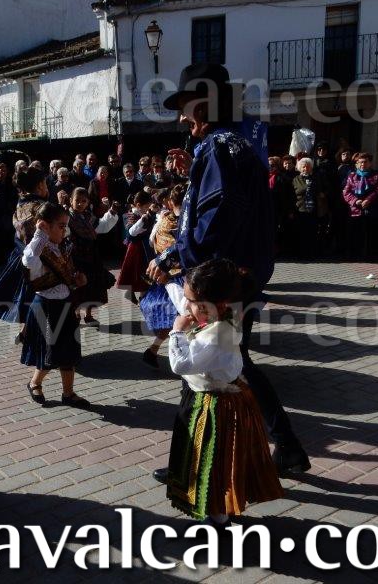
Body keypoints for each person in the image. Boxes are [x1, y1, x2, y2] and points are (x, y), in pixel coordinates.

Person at [147, 62, 309, 477]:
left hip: (219, 284)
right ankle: (285, 445)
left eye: (184, 107)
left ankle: (190, 463)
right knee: (234, 362)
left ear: (202, 106)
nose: (181, 118)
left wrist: (178, 264)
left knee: (207, 368)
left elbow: (215, 221)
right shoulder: (230, 146)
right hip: (235, 279)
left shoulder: (218, 147)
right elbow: (220, 208)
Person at [165, 259, 283, 524]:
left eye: (193, 302)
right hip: (213, 397)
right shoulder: (221, 312)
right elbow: (183, 300)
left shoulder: (219, 335)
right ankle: (220, 513)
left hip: (217, 407)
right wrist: (168, 282)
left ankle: (218, 520)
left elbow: (180, 364)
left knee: (214, 462)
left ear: (216, 304)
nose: (186, 307)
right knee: (213, 460)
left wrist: (177, 332)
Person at [21, 202, 89, 408]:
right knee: (49, 353)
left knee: (68, 351)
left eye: (65, 226)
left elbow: (66, 274)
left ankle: (68, 393)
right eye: (60, 226)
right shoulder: (37, 249)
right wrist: (39, 234)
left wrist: (77, 280)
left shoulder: (60, 246)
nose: (64, 230)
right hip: (46, 307)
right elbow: (29, 260)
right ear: (45, 226)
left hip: (65, 304)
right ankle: (35, 383)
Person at [0, 168, 48, 327]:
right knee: (38, 300)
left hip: (20, 255)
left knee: (26, 298)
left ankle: (25, 332)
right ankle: (31, 334)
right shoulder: (42, 207)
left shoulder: (22, 202)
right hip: (39, 260)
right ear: (40, 185)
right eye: (45, 183)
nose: (47, 187)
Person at [139, 185, 186, 369]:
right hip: (176, 278)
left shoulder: (166, 219)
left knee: (177, 317)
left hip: (171, 275)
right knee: (180, 317)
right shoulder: (179, 220)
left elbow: (153, 241)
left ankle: (153, 351)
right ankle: (171, 354)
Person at [67, 187, 119, 324]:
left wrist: (112, 212)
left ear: (88, 202)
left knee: (91, 286)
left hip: (91, 255)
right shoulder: (66, 217)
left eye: (83, 201)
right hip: (74, 257)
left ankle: (88, 315)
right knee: (77, 286)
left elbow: (102, 226)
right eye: (77, 200)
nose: (80, 204)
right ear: (71, 200)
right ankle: (76, 314)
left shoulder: (88, 217)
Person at [342, 152, 378, 260]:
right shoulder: (352, 176)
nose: (362, 164)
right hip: (355, 209)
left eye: (365, 162)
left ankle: (368, 255)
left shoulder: (376, 176)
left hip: (371, 208)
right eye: (360, 162)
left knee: (370, 233)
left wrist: (368, 200)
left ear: (370, 163)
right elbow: (346, 192)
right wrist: (355, 201)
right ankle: (353, 255)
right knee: (354, 233)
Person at [117, 190, 156, 305]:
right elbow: (131, 232)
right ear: (138, 205)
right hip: (136, 249)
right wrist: (143, 219)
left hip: (146, 248)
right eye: (146, 207)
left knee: (144, 274)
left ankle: (140, 296)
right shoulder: (130, 215)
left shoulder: (146, 214)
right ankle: (141, 299)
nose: (148, 209)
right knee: (139, 274)